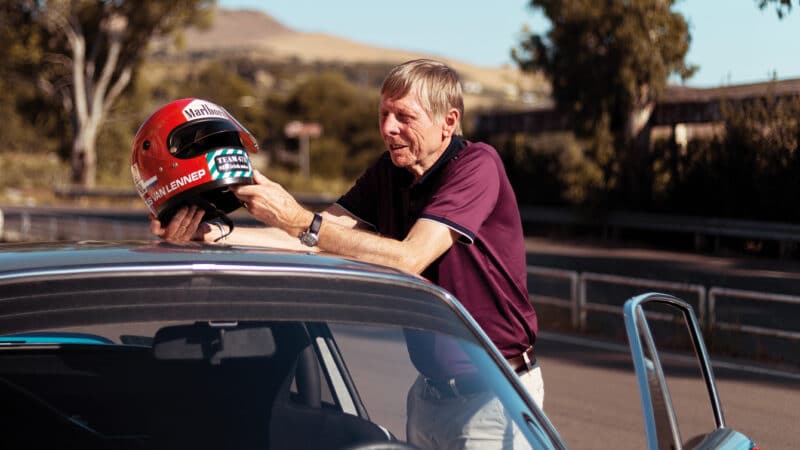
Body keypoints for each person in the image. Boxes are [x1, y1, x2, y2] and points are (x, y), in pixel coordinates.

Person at [151, 58, 543, 448]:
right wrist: (212, 234)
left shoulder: (477, 165)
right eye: (384, 114)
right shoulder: (388, 173)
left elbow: (410, 257)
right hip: (428, 394)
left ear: (449, 122)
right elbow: (312, 236)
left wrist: (299, 220)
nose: (389, 128)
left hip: (494, 397)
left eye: (404, 116)